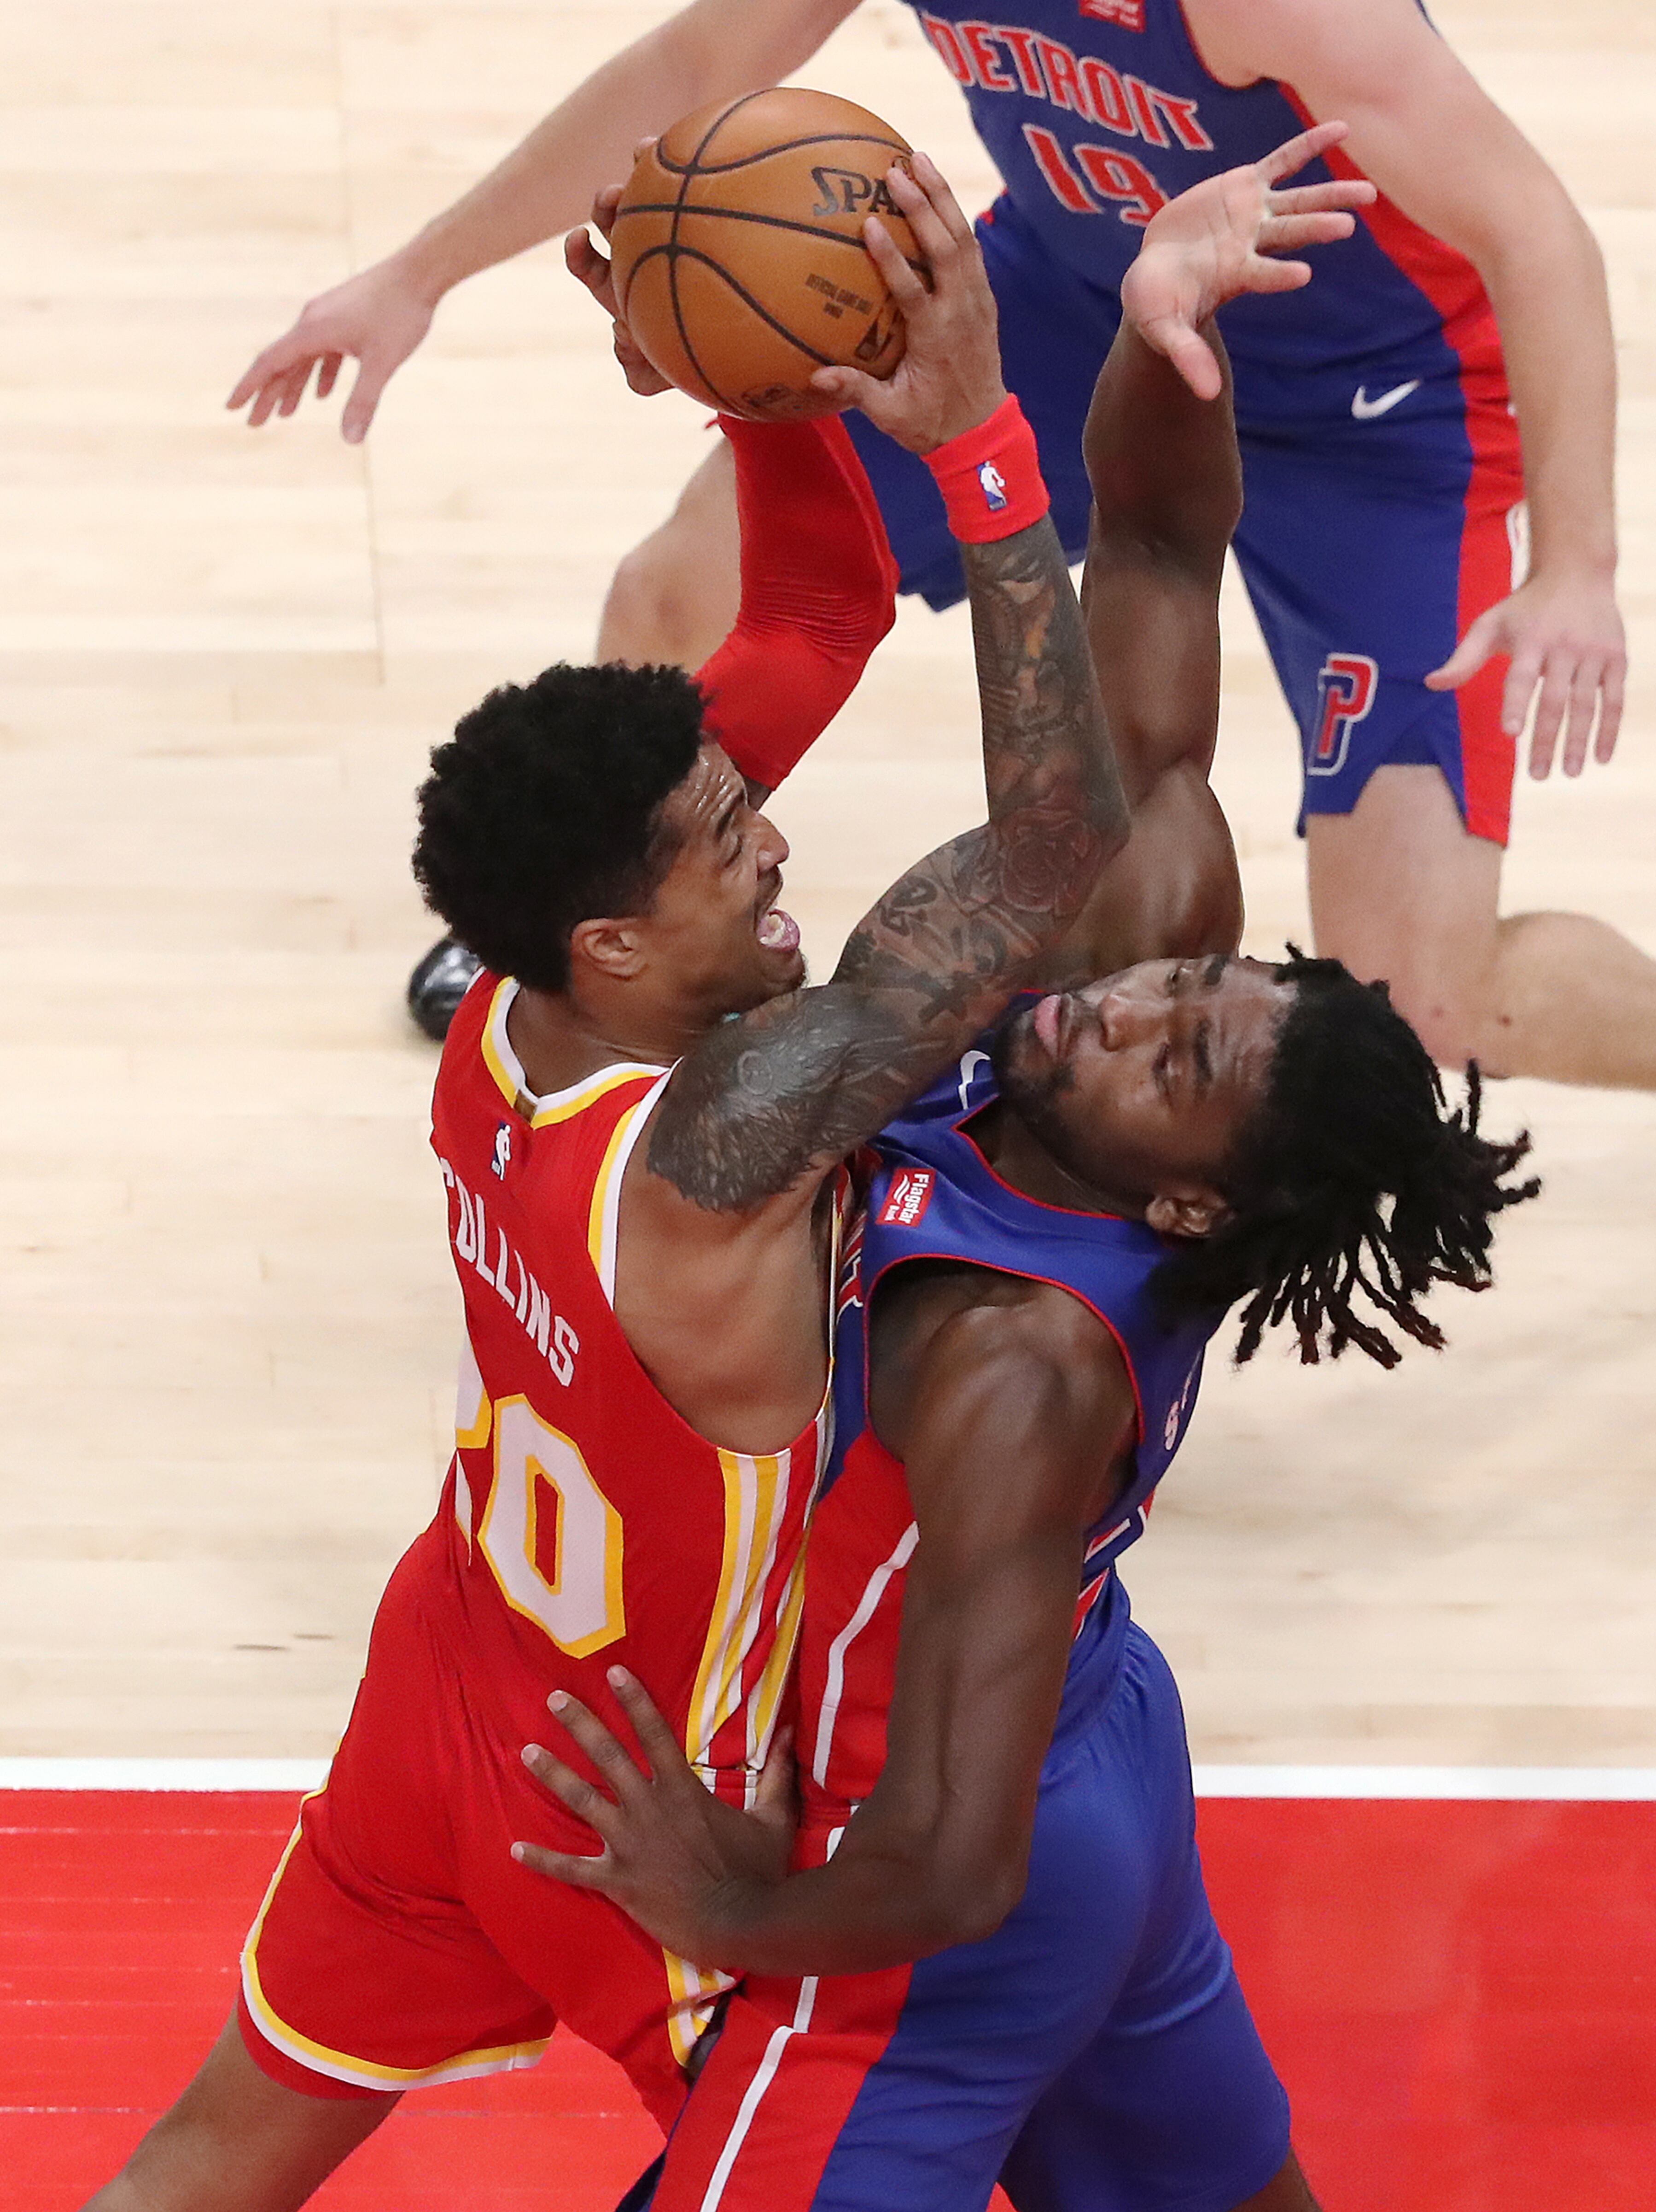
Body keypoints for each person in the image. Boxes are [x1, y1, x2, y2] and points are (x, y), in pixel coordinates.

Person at [83, 157, 1133, 2212]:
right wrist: (985, 451)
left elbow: (818, 615)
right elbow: (1047, 852)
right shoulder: (728, 1134)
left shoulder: (518, 1009)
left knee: (216, 2152)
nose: (769, 839)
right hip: (633, 1804)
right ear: (624, 948)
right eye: (719, 837)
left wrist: (759, 383)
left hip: (449, 1684)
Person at [511, 254, 1538, 2212]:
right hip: (1104, 1746)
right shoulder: (1117, 1018)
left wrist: (731, 1895)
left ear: (1181, 1197)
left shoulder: (1017, 1368)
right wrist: (1167, 323)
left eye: (1175, 1060)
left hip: (944, 1889)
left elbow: (952, 1856)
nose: (1125, 1008)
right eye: (1190, 993)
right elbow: (1153, 549)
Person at [227, 0, 1656, 1203]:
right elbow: (694, 64)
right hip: (1084, 294)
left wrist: (1579, 565)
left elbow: (1539, 234)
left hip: (1385, 416)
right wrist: (420, 274)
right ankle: (610, 963)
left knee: (1424, 991)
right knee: (675, 588)